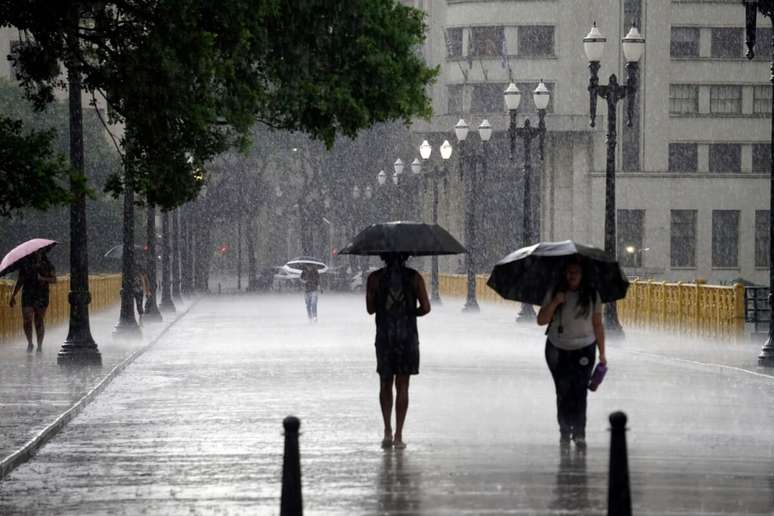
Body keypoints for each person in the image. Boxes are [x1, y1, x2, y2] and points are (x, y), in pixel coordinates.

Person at [537, 256, 606, 451]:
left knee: (580, 391)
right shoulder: (555, 292)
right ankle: (565, 431)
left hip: (584, 348)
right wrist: (555, 302)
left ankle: (580, 433)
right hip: (557, 348)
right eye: (568, 272)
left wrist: (602, 353)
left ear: (582, 275)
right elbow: (541, 320)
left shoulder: (592, 295)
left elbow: (597, 324)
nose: (572, 276)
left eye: (576, 272)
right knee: (563, 391)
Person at [366, 253, 431, 449]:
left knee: (385, 383)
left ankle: (387, 430)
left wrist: (384, 307)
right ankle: (398, 435)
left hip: (385, 337)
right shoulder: (415, 278)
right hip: (407, 338)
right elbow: (426, 308)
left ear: (383, 257)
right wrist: (409, 312)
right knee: (403, 386)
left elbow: (370, 309)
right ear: (406, 257)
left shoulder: (375, 278)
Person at [9, 251, 56, 351]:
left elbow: (54, 280)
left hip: (42, 295)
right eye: (35, 252)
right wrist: (13, 294)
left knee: (39, 320)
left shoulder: (47, 264)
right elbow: (20, 280)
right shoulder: (26, 264)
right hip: (28, 294)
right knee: (27, 319)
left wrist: (43, 278)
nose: (36, 253)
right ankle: (30, 343)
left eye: (38, 252)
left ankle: (39, 346)